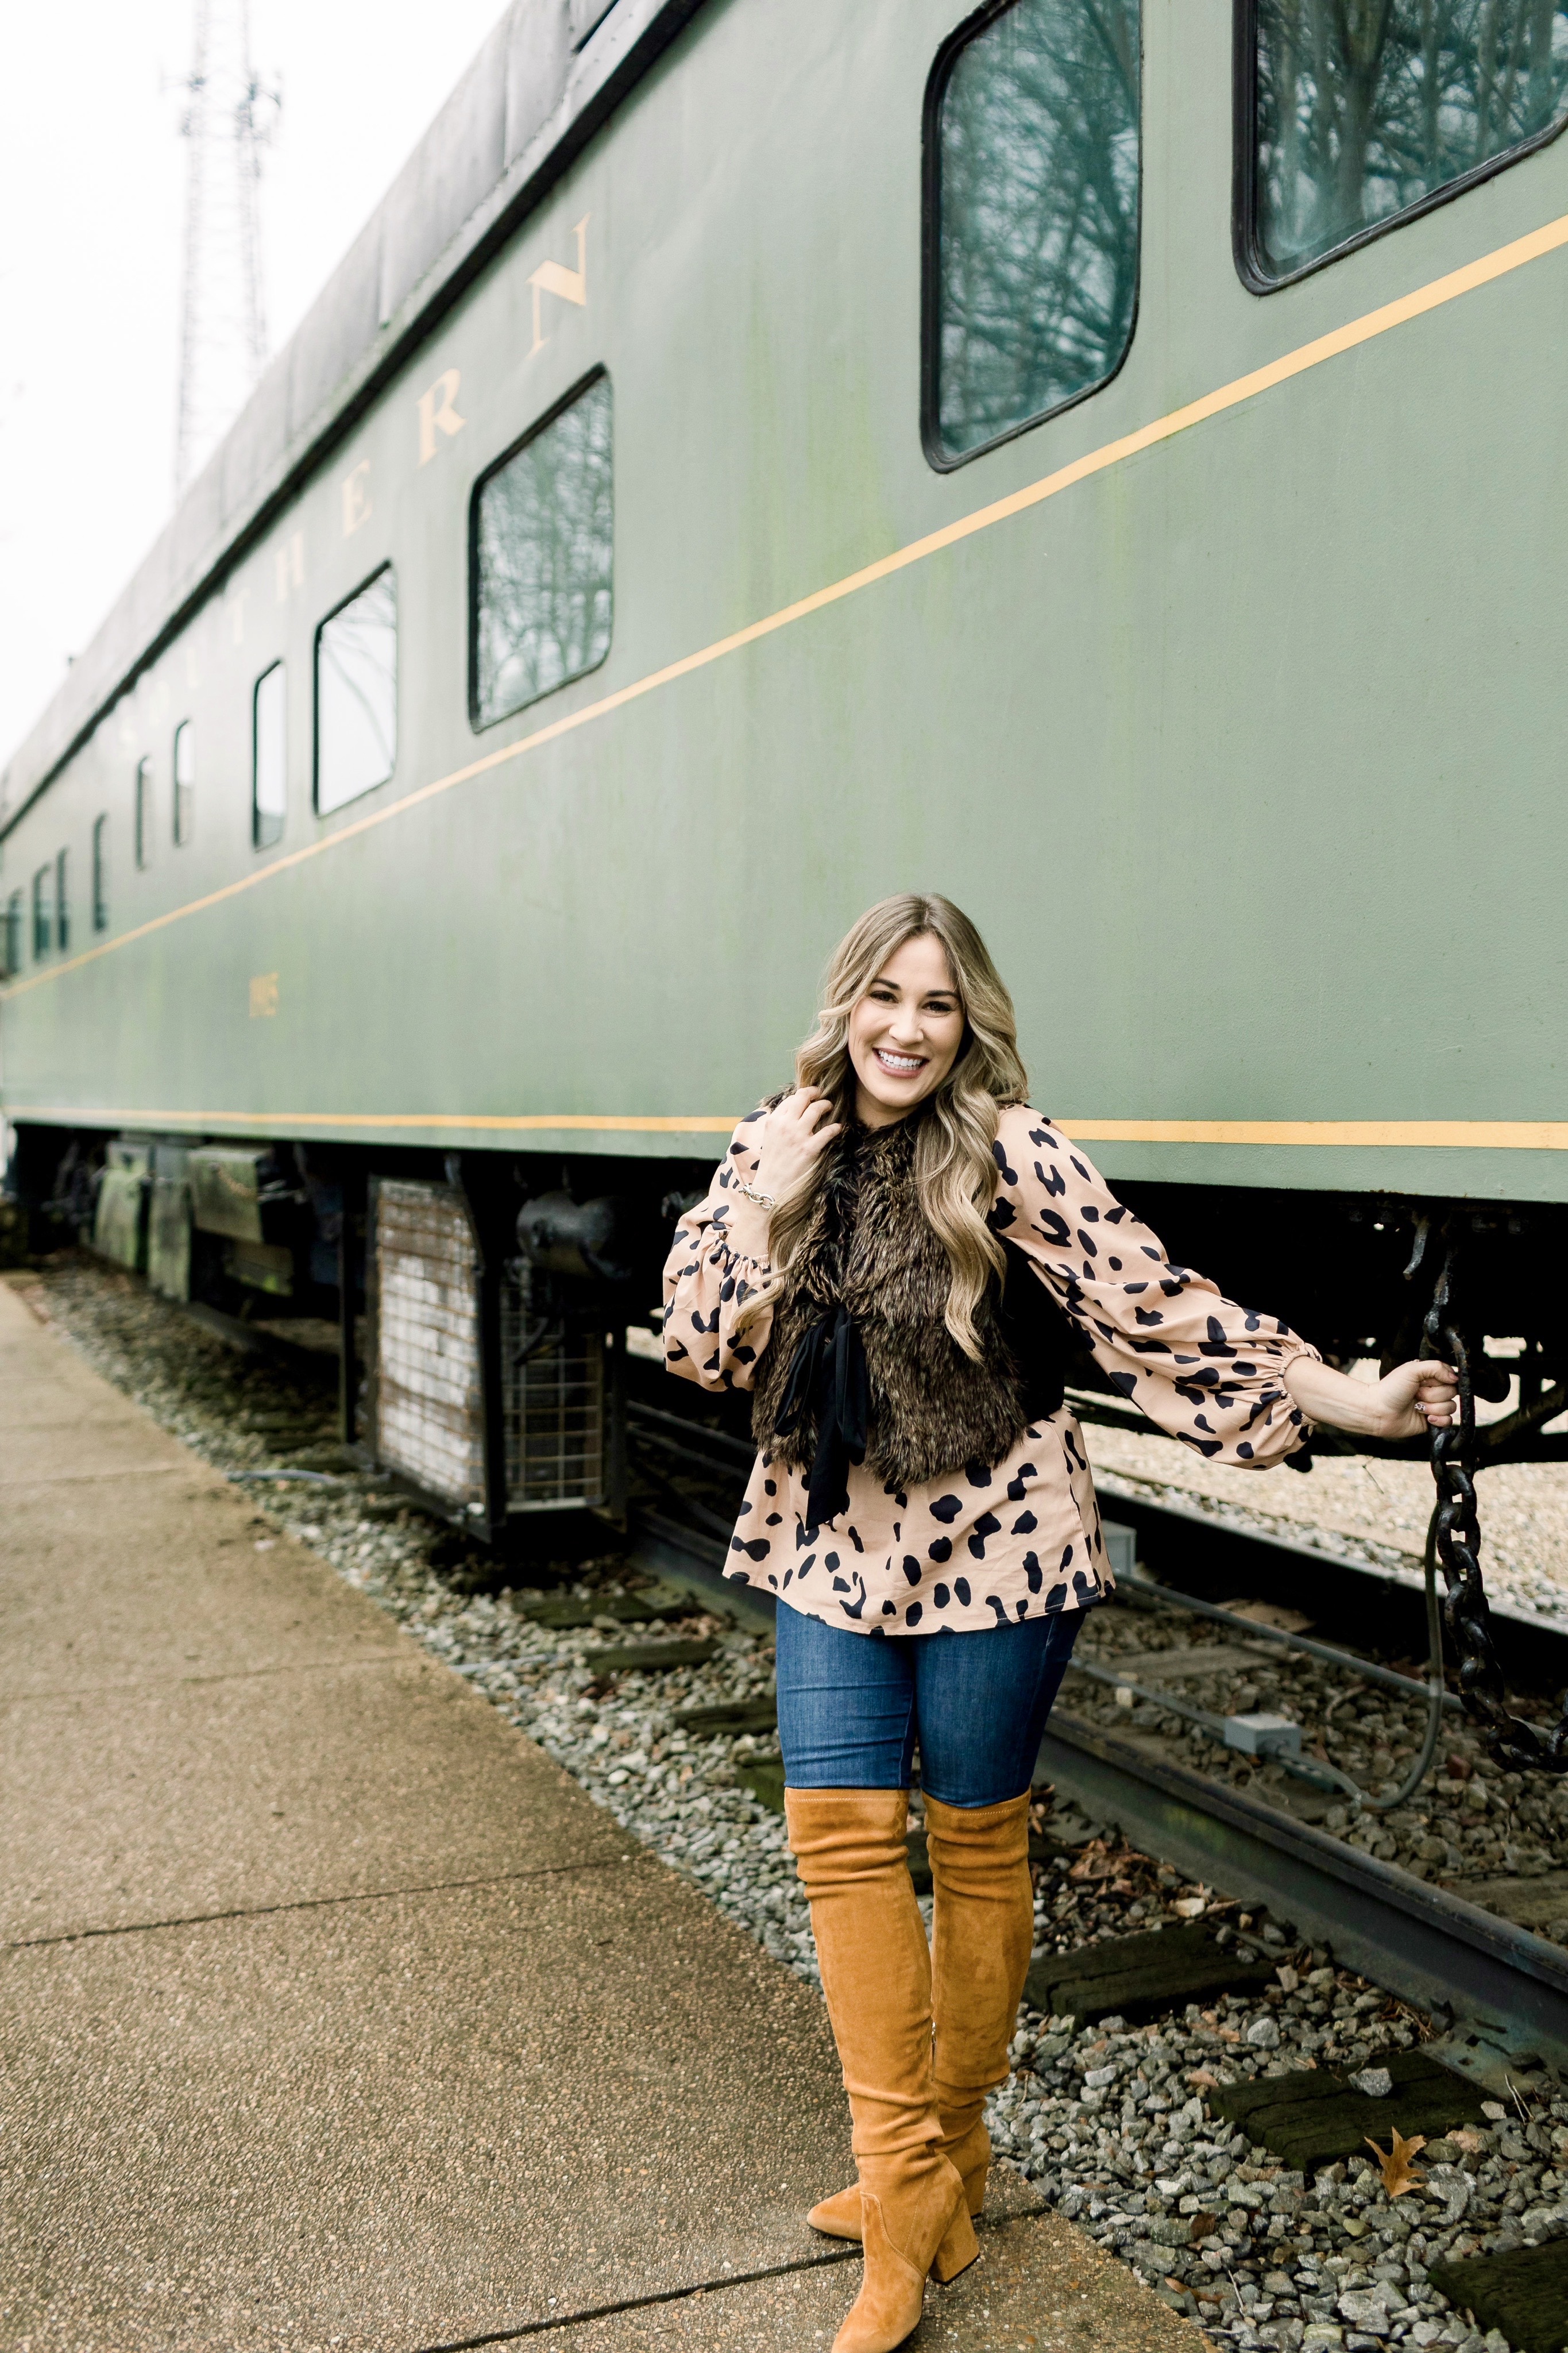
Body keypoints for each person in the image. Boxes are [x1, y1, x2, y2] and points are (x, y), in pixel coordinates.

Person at [661, 893, 1455, 2353]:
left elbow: (1147, 1305)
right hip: (830, 1535)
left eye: (940, 1003)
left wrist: (1339, 1393)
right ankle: (904, 2204)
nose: (908, 1027)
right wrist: (762, 1193)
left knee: (975, 1846)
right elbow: (703, 1348)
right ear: (845, 1004)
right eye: (886, 996)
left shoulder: (1010, 1148)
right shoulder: (773, 1139)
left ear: (972, 1024)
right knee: (839, 1848)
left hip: (1001, 1542)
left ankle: (952, 2150)